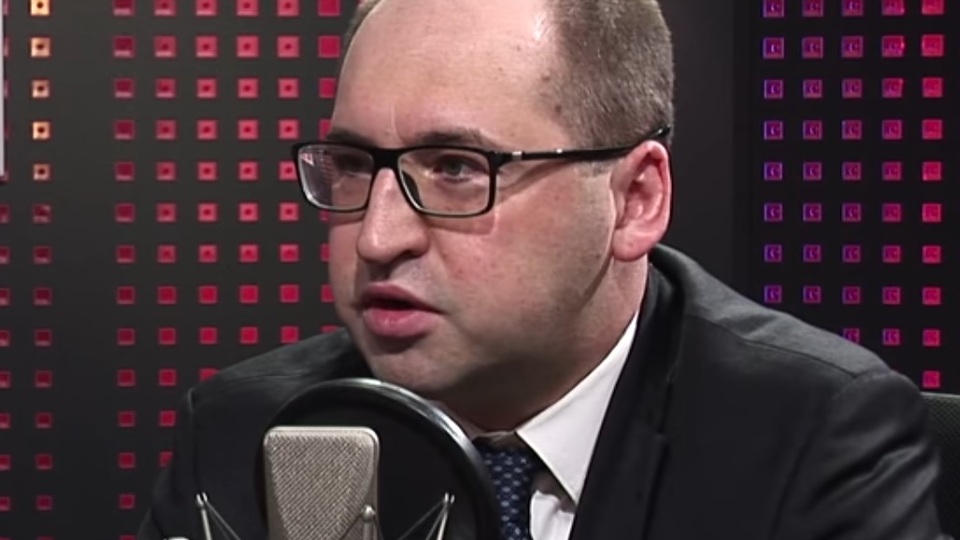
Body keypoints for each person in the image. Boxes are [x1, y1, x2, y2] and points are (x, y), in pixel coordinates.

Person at [138, 0, 949, 538]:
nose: (378, 237)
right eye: (352, 165)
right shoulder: (249, 430)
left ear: (634, 200)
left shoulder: (809, 436)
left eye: (457, 169)